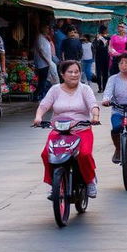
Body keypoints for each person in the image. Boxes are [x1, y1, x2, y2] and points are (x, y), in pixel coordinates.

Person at [33, 59, 100, 198]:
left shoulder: (85, 89)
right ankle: (53, 184)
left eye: (77, 72)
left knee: (84, 154)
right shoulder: (55, 90)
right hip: (58, 130)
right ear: (62, 74)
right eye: (70, 72)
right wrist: (38, 117)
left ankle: (90, 181)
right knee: (46, 154)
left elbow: (93, 105)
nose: (74, 75)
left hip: (81, 129)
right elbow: (44, 105)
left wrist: (95, 116)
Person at [33, 24, 55, 100]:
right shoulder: (40, 37)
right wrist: (47, 60)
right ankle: (37, 95)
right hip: (42, 63)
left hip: (46, 62)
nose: (47, 29)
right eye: (46, 27)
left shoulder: (44, 37)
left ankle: (40, 94)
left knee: (44, 80)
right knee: (42, 80)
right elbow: (41, 51)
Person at [93, 26, 110, 92]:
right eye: (106, 30)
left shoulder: (97, 38)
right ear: (105, 31)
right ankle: (104, 87)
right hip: (105, 57)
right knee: (105, 73)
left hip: (99, 57)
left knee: (99, 73)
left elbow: (94, 47)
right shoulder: (108, 38)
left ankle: (100, 88)